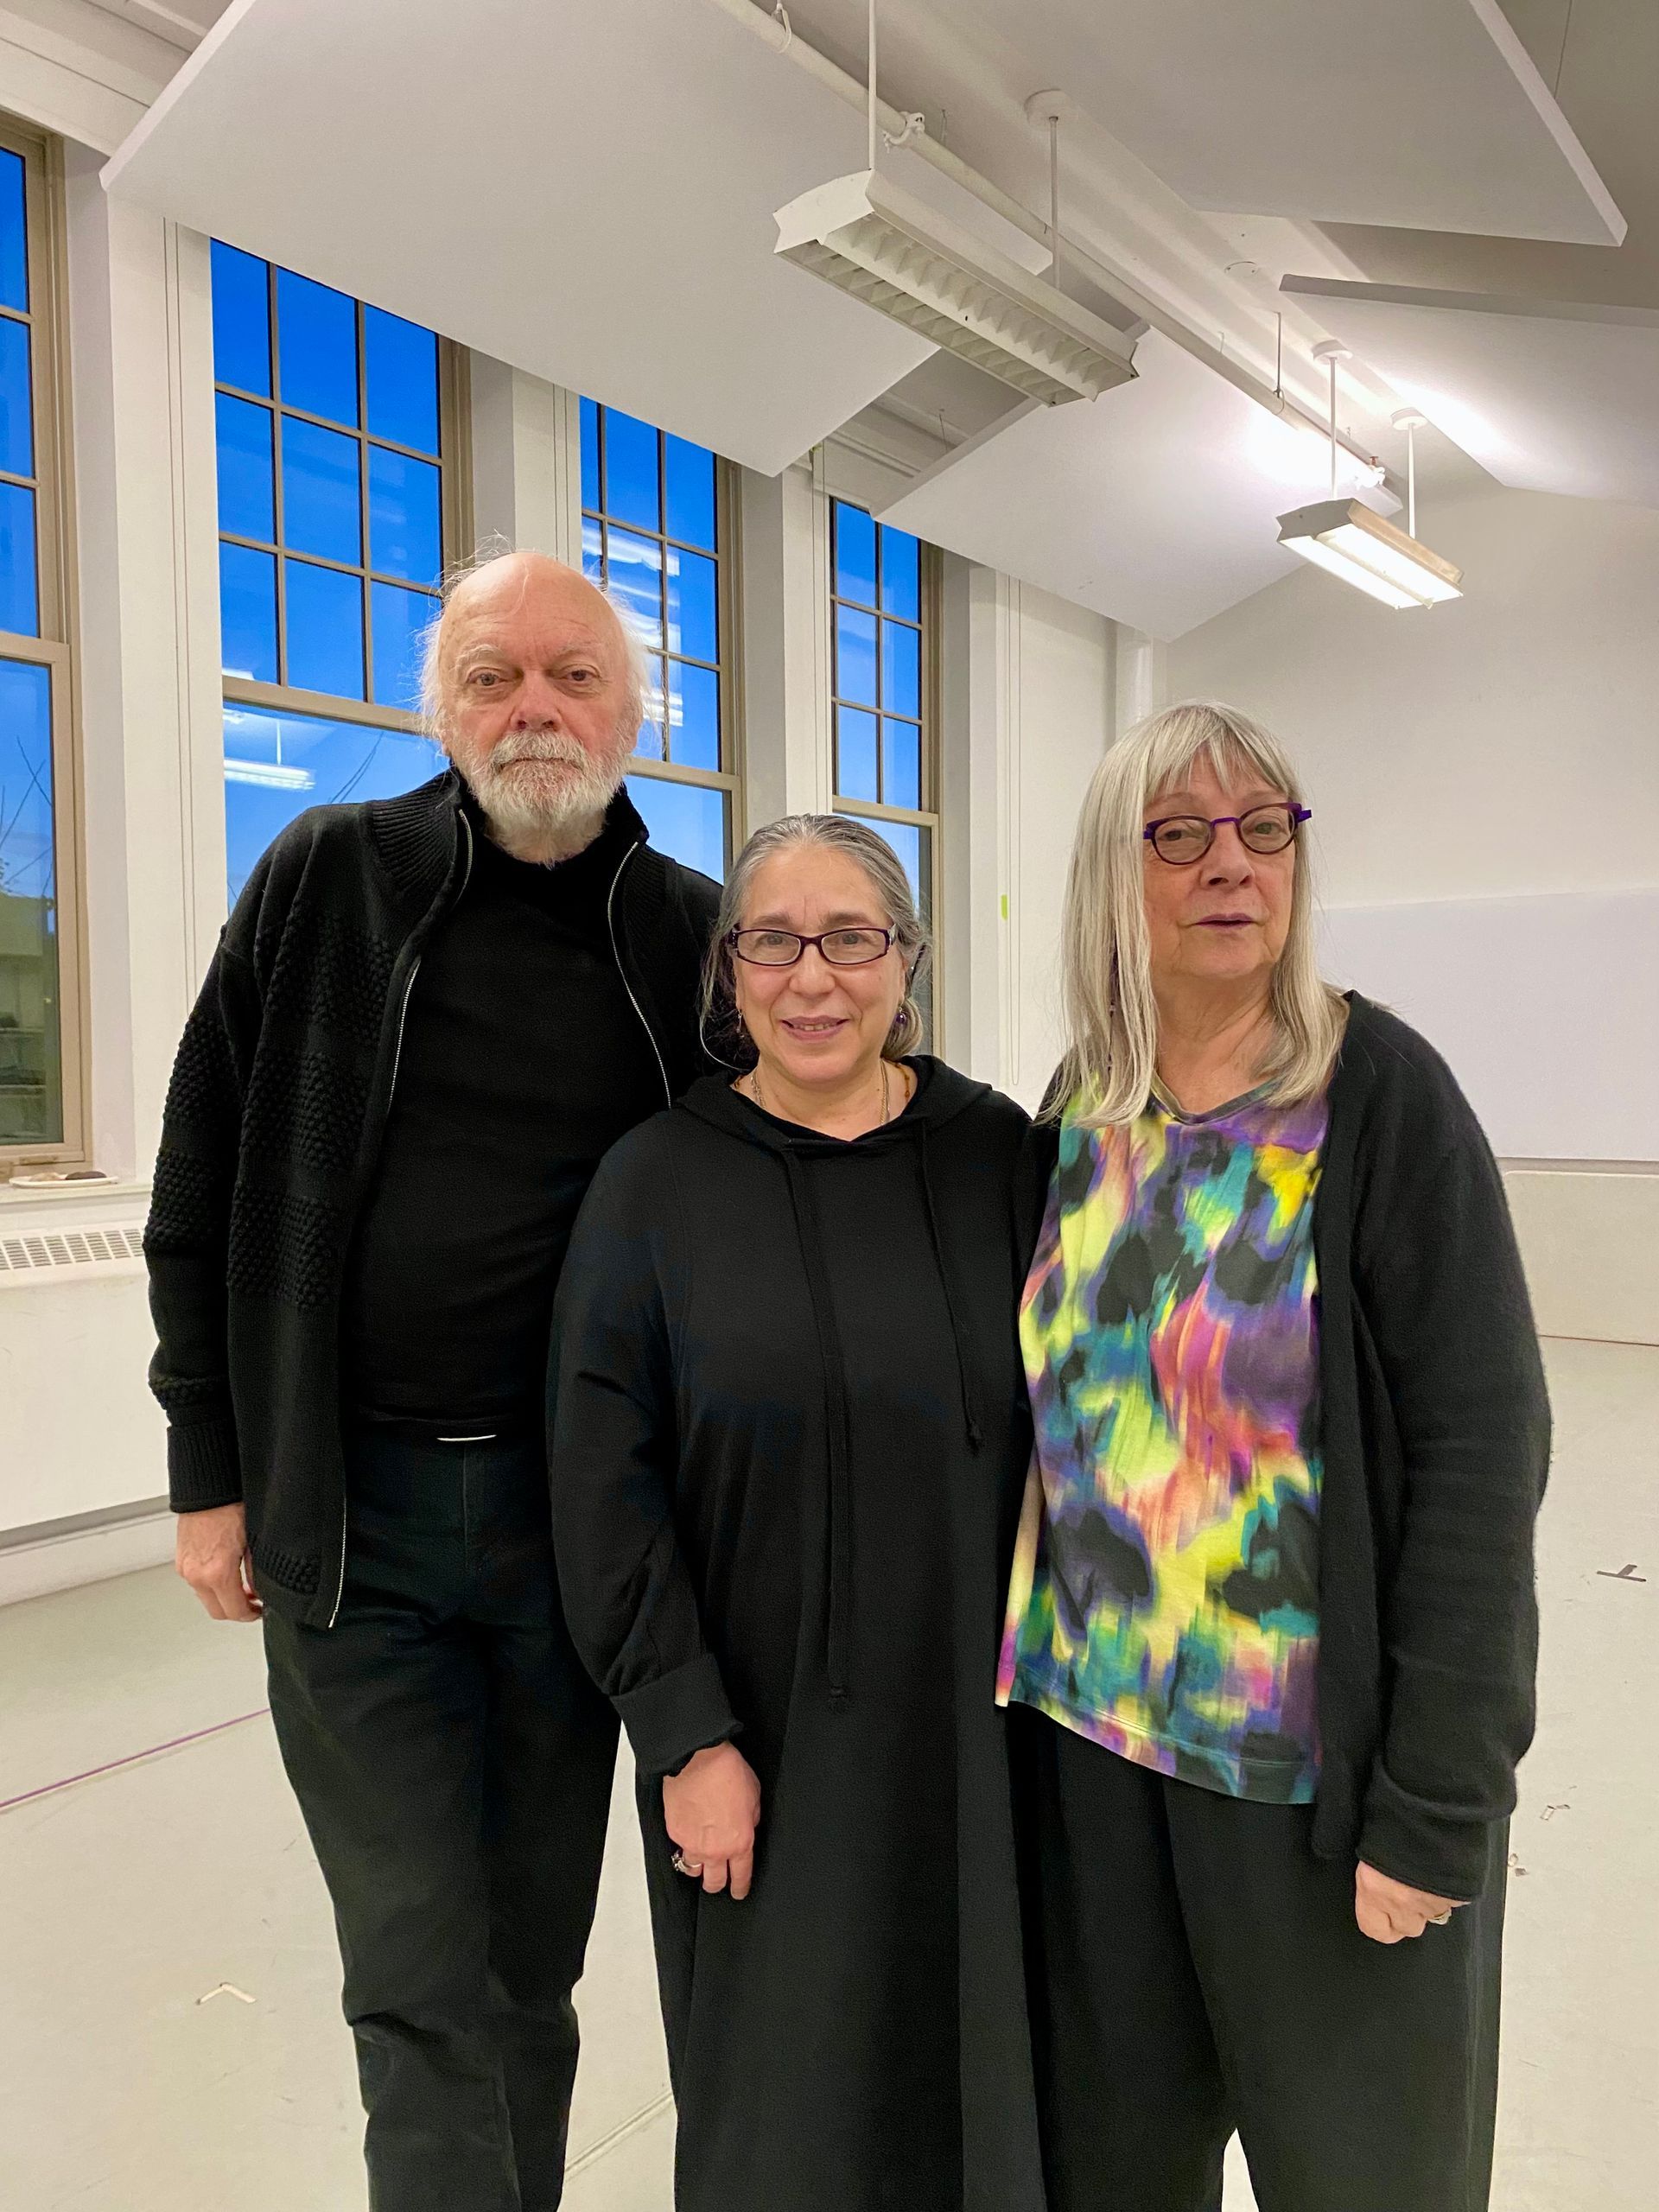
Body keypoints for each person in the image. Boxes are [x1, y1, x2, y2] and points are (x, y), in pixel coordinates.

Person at [144, 550, 719, 2211]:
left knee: (531, 1963)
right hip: (356, 1527)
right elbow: (199, 1182)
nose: (535, 707)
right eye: (492, 675)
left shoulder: (688, 935)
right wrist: (207, 1469)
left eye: (574, 674)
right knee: (414, 1970)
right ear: (440, 710)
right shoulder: (326, 880)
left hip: (574, 1534)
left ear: (633, 712)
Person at [998, 702, 1550, 2212]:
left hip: (1311, 1791)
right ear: (1115, 875)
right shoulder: (1080, 1107)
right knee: (1110, 2176)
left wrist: (1438, 1804)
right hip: (1093, 1765)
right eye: (1180, 834)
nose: (1230, 864)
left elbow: (1482, 1452)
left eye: (1263, 829)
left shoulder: (1379, 1097)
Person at [549, 815, 1046, 2212]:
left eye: (850, 938)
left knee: (978, 2088)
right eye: (773, 941)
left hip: (981, 1741)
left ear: (908, 960)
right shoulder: (655, 1183)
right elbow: (599, 1476)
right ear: (730, 970)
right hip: (756, 1746)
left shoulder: (998, 1156)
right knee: (781, 2104)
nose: (811, 977)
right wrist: (684, 1733)